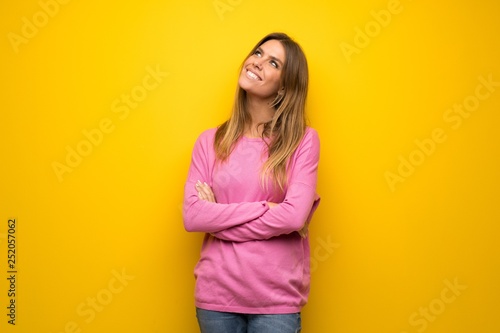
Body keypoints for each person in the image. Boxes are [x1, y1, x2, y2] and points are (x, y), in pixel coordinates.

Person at [183, 32, 320, 333]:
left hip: (276, 300)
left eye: (272, 62)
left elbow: (295, 216)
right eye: (258, 53)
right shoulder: (209, 142)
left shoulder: (302, 142)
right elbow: (193, 217)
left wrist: (218, 216)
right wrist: (267, 209)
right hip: (216, 296)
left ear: (285, 87)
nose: (257, 62)